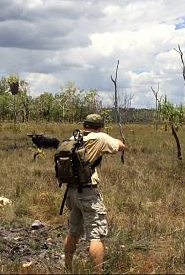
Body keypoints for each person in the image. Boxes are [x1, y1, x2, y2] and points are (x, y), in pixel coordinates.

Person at [63, 113, 126, 274]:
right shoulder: (100, 137)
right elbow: (120, 146)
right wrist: (119, 140)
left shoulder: (74, 137)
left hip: (71, 192)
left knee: (73, 231)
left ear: (85, 125)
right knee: (96, 235)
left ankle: (68, 268)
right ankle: (97, 272)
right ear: (99, 126)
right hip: (88, 193)